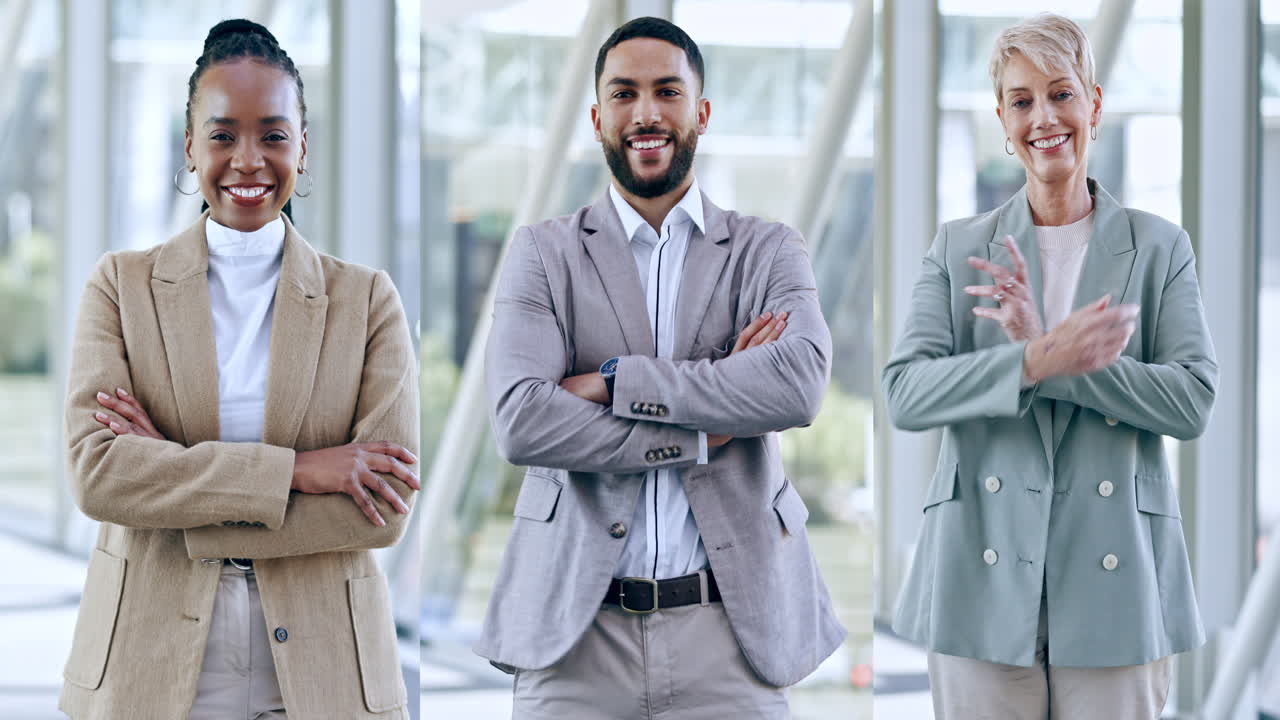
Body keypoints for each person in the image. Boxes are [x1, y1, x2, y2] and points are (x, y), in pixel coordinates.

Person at [477, 16, 845, 720]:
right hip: (574, 636)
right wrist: (709, 425)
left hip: (731, 633)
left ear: (700, 112)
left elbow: (797, 385)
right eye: (624, 94)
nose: (646, 113)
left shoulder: (768, 252)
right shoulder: (543, 254)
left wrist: (615, 382)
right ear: (596, 117)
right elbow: (522, 422)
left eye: (667, 91)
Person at [58, 19, 419, 720]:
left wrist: (170, 473)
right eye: (223, 135)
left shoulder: (366, 300)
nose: (248, 160)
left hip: (324, 667)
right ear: (190, 147)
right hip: (151, 658)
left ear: (303, 148)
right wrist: (297, 472)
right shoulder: (121, 288)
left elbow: (381, 511)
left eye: (273, 135)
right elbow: (100, 475)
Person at [883, 13, 1217, 719]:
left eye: (1061, 94)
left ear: (1093, 104)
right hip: (979, 572)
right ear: (1003, 121)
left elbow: (1192, 401)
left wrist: (1067, 363)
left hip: (1117, 584)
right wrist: (1032, 360)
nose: (1045, 117)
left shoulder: (1159, 248)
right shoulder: (958, 247)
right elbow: (905, 394)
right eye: (1022, 100)